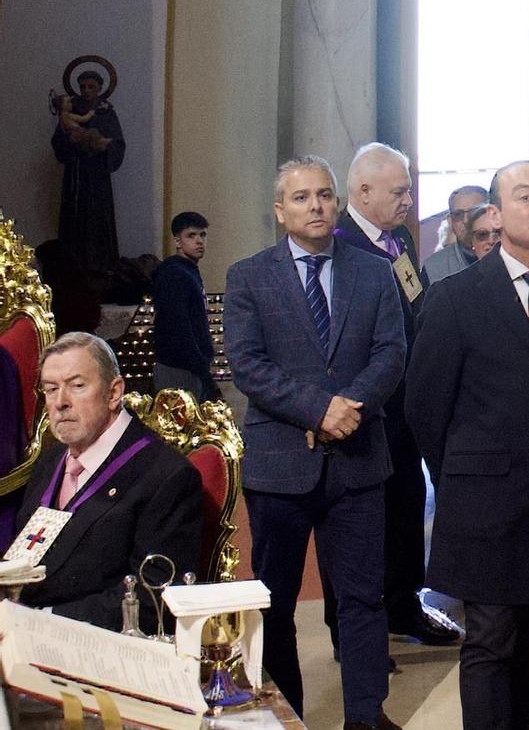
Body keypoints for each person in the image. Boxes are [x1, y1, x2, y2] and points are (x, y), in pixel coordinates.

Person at [407, 160, 529, 730]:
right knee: (491, 639)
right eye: (525, 197)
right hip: (484, 502)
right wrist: (465, 478)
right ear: (494, 216)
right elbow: (424, 407)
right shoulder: (453, 298)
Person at [224, 156, 407, 730]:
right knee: (275, 601)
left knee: (362, 598)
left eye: (325, 195)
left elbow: (392, 353)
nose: (317, 206)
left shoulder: (373, 272)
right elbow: (246, 364)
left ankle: (364, 716)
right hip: (280, 464)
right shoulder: (248, 276)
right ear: (281, 212)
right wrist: (318, 409)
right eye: (301, 198)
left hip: (358, 461)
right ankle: (289, 716)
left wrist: (346, 407)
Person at [331, 144, 464, 651]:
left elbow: (416, 301)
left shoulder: (399, 240)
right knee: (369, 517)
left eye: (408, 189)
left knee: (409, 504)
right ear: (363, 192)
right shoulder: (340, 243)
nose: (409, 199)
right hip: (367, 402)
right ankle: (359, 629)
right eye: (399, 191)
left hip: (408, 399)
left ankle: (406, 605)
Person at [13, 333, 203, 632]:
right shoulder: (50, 462)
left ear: (114, 392)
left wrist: (40, 622)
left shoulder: (166, 476)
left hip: (96, 648)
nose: (60, 402)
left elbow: (153, 599)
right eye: (51, 389)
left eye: (77, 386)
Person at [49, 69, 125, 263]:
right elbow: (59, 142)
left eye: (91, 86)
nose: (86, 90)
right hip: (76, 174)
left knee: (98, 220)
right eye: (83, 86)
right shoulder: (71, 112)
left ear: (100, 88)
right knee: (74, 221)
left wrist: (102, 145)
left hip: (98, 175)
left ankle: (101, 264)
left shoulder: (106, 113)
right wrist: (73, 141)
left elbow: (117, 143)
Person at [148, 212, 218, 401]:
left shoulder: (186, 271)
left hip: (189, 367)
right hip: (178, 368)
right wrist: (200, 364)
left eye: (202, 235)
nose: (199, 241)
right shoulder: (175, 274)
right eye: (191, 235)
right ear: (177, 241)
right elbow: (178, 326)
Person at [422, 185, 488, 283]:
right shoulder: (433, 268)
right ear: (450, 221)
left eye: (474, 212)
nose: (466, 221)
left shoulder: (511, 256)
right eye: (458, 214)